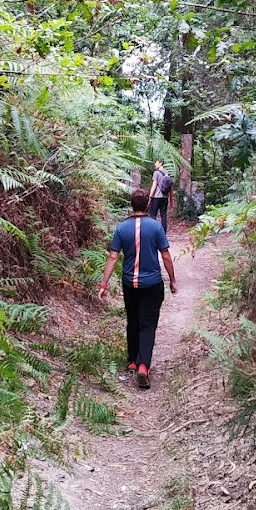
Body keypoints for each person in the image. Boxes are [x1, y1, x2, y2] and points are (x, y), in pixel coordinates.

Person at [98, 188, 176, 389]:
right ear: (148, 205)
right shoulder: (156, 227)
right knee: (147, 324)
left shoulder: (121, 228)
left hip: (129, 284)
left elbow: (113, 257)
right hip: (152, 284)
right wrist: (173, 280)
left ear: (131, 205)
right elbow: (166, 255)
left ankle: (132, 360)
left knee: (132, 319)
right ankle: (143, 366)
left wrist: (104, 284)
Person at [147, 158, 174, 232]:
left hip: (156, 197)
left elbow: (154, 186)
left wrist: (150, 198)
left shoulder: (156, 173)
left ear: (160, 163)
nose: (155, 164)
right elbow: (171, 188)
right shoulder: (168, 173)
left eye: (156, 162)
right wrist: (171, 201)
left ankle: (153, 231)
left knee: (153, 215)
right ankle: (163, 232)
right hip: (165, 198)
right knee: (163, 215)